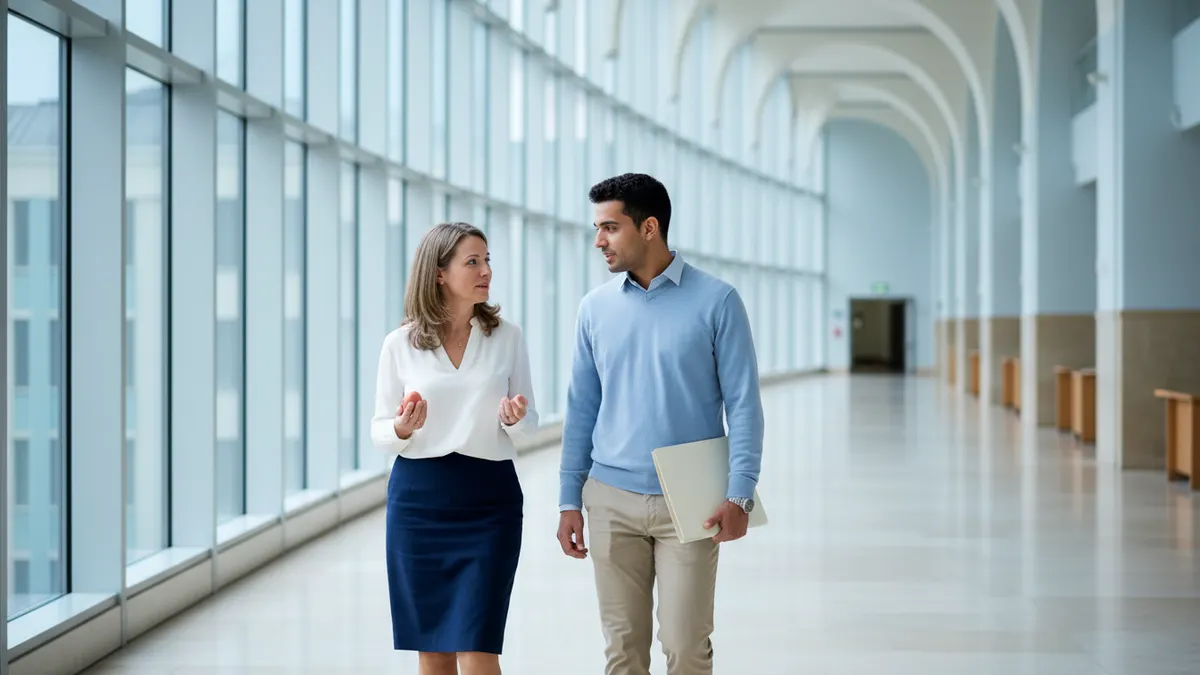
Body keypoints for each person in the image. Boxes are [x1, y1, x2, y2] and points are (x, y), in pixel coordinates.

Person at [556, 173, 765, 675]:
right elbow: (582, 408)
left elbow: (743, 404)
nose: (599, 240)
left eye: (610, 227)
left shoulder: (718, 301)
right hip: (610, 497)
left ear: (649, 227)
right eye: (597, 228)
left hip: (692, 501)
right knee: (623, 652)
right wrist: (568, 500)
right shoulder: (594, 308)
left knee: (686, 646)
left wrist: (740, 494)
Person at [371, 221, 538, 675]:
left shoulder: (507, 337)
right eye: (473, 262)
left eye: (487, 261)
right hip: (419, 505)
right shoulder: (399, 345)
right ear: (439, 273)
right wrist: (402, 428)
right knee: (434, 650)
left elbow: (529, 426)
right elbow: (380, 430)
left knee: (479, 647)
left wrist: (515, 420)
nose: (486, 271)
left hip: (490, 504)